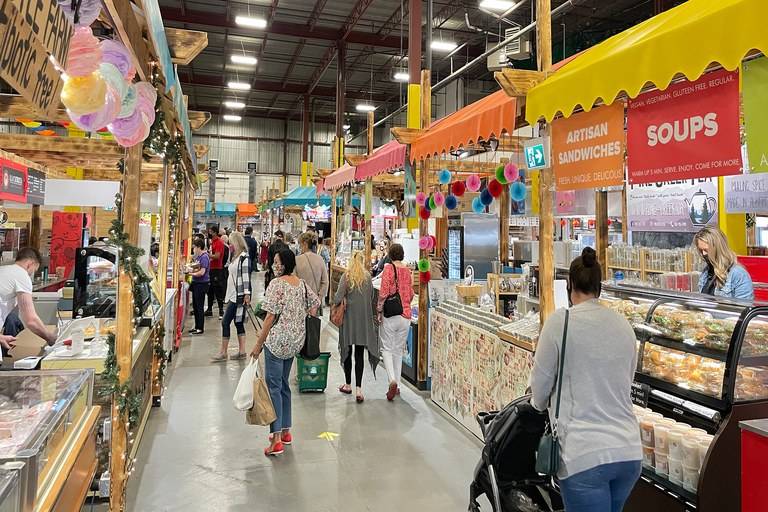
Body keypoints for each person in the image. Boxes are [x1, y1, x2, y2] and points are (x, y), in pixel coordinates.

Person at [530, 247, 641, 512]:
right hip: (628, 452)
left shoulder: (561, 322)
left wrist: (537, 404)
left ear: (570, 285)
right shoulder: (623, 324)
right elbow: (628, 378)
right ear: (599, 286)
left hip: (584, 454)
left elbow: (541, 384)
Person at [250, 249, 319, 456]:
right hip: (295, 342)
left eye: (277, 262)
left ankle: (276, 438)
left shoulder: (276, 284)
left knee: (274, 388)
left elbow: (270, 317)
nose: (274, 264)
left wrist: (258, 344)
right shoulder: (301, 284)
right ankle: (286, 430)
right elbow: (315, 305)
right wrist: (299, 321)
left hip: (277, 342)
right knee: (284, 385)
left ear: (284, 264)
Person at [333, 251, 379, 403]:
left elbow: (337, 297)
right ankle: (359, 389)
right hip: (363, 321)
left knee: (347, 351)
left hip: (348, 320)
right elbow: (372, 297)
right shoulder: (367, 277)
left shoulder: (346, 276)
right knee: (359, 354)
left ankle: (348, 384)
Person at [376, 243, 415, 401]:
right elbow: (411, 294)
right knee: (398, 350)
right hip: (406, 315)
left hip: (390, 314)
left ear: (390, 255)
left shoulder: (388, 269)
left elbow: (384, 291)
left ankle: (391, 379)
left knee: (386, 348)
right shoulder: (408, 271)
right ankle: (397, 385)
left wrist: (379, 309)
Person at [0, 248, 57, 349]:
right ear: (30, 264)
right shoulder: (21, 274)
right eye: (32, 272)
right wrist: (51, 338)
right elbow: (31, 320)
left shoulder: (4, 270)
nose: (30, 275)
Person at [212, 233, 251, 362]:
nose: (230, 245)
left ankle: (223, 352)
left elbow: (246, 277)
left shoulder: (244, 258)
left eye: (231, 243)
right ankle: (242, 351)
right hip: (233, 294)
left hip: (238, 296)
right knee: (238, 322)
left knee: (225, 322)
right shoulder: (236, 257)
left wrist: (246, 294)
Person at [694, 226, 754, 300]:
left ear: (717, 248)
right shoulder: (706, 272)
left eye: (706, 250)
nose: (703, 254)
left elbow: (744, 308)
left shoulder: (738, 274)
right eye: (701, 250)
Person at [295, 232, 329, 313]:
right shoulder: (320, 259)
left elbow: (294, 281)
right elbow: (325, 282)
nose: (300, 247)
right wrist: (319, 298)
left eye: (300, 244)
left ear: (305, 243)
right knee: (313, 324)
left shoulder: (297, 260)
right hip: (315, 302)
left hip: (301, 301)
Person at [188, 238, 210, 335]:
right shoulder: (198, 257)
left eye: (194, 248)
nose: (193, 250)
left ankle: (200, 328)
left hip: (201, 284)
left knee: (199, 306)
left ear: (199, 247)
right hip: (196, 283)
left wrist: (189, 274)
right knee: (196, 306)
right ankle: (196, 326)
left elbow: (202, 272)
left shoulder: (204, 257)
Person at [206, 227, 226, 319]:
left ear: (215, 232)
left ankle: (221, 311)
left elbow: (217, 256)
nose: (209, 234)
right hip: (211, 268)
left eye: (210, 232)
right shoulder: (212, 242)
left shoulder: (219, 243)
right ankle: (209, 310)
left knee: (218, 290)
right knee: (210, 290)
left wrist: (207, 255)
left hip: (217, 269)